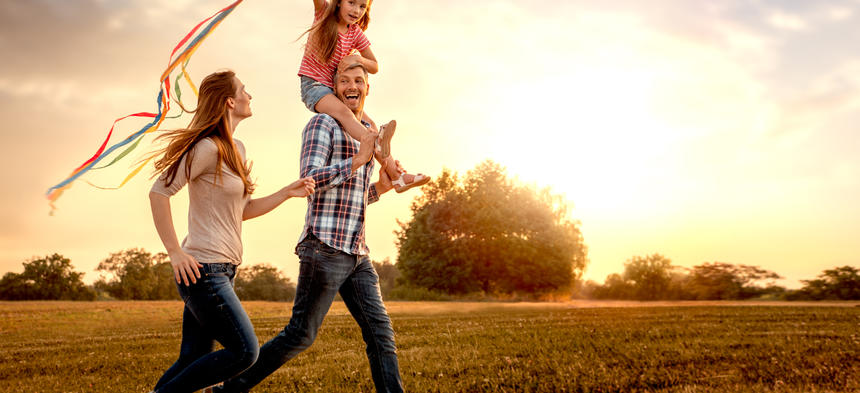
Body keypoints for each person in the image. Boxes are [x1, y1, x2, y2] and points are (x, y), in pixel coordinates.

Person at [215, 63, 404, 392]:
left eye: (359, 80)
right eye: (343, 80)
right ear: (333, 89)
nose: (351, 85)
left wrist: (380, 190)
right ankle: (226, 389)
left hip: (357, 252)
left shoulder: (368, 132)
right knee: (300, 334)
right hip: (324, 248)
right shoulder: (322, 124)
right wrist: (358, 161)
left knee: (381, 333)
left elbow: (352, 200)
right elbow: (310, 179)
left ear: (367, 88)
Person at [148, 70, 316, 393]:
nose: (249, 95)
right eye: (243, 90)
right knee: (246, 351)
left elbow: (243, 211)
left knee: (192, 358)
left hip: (223, 271)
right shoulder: (206, 148)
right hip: (203, 271)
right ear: (229, 101)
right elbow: (160, 192)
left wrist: (286, 192)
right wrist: (174, 251)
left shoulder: (236, 149)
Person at [298, 0, 429, 193]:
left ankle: (397, 177)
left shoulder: (355, 32)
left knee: (370, 125)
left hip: (333, 89)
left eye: (362, 6)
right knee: (345, 113)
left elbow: (375, 66)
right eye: (351, 3)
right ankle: (374, 141)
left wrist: (357, 58)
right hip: (314, 86)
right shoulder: (324, 14)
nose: (356, 10)